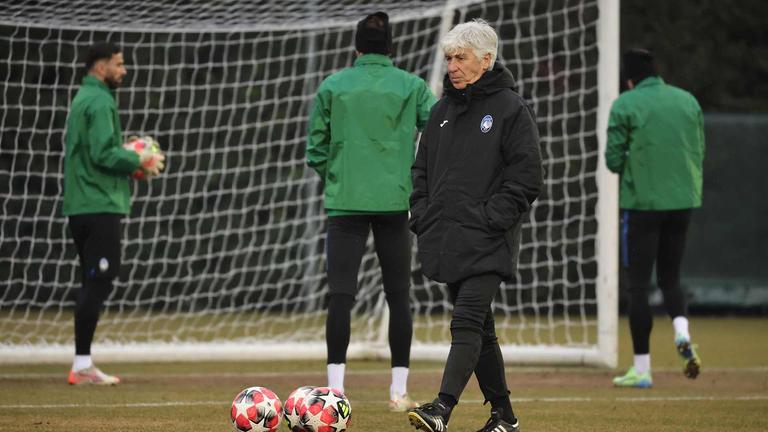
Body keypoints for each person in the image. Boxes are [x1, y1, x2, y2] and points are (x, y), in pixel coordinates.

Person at [406, 20, 542, 432]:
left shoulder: (510, 109)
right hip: (445, 239)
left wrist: (489, 220)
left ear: (486, 59)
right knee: (481, 331)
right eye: (449, 58)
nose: (453, 66)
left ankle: (441, 409)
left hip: (488, 240)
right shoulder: (440, 112)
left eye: (460, 58)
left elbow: (526, 178)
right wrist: (424, 216)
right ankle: (505, 417)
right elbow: (421, 172)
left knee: (465, 322)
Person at [305, 12, 436, 411]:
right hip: (395, 203)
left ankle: (335, 393)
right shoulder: (411, 86)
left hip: (345, 203)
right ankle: (398, 392)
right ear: (391, 48)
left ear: (356, 47)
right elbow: (439, 131)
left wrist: (343, 175)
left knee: (341, 295)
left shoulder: (333, 86)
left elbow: (315, 149)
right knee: (399, 294)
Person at [63, 42, 164, 385]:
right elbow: (104, 154)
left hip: (83, 202)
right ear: (100, 66)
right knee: (99, 280)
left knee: (92, 281)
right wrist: (138, 158)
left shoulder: (83, 97)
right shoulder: (100, 100)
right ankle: (82, 364)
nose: (123, 70)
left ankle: (82, 362)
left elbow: (95, 153)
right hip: (99, 203)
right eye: (118, 64)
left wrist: (127, 162)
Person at [606, 48, 705, 388]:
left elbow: (613, 161)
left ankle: (642, 369)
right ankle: (682, 332)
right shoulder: (687, 100)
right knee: (671, 278)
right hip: (683, 202)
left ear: (630, 78)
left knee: (638, 286)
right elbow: (699, 149)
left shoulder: (626, 103)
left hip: (643, 205)